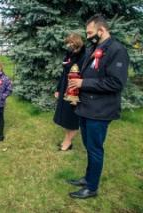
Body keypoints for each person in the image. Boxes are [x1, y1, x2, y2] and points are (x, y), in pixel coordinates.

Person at [67, 14, 129, 199]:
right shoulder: (95, 47)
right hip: (87, 107)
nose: (87, 36)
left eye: (90, 32)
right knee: (89, 146)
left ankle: (91, 188)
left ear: (101, 30)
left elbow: (116, 83)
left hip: (100, 110)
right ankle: (88, 178)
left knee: (95, 149)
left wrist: (83, 84)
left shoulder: (117, 50)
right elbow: (91, 73)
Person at [53, 33, 86, 151]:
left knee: (72, 118)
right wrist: (58, 89)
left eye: (71, 42)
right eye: (68, 43)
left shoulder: (84, 55)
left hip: (75, 92)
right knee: (65, 117)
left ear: (77, 42)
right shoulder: (70, 54)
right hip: (64, 88)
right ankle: (67, 140)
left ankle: (67, 142)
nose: (69, 45)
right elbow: (64, 74)